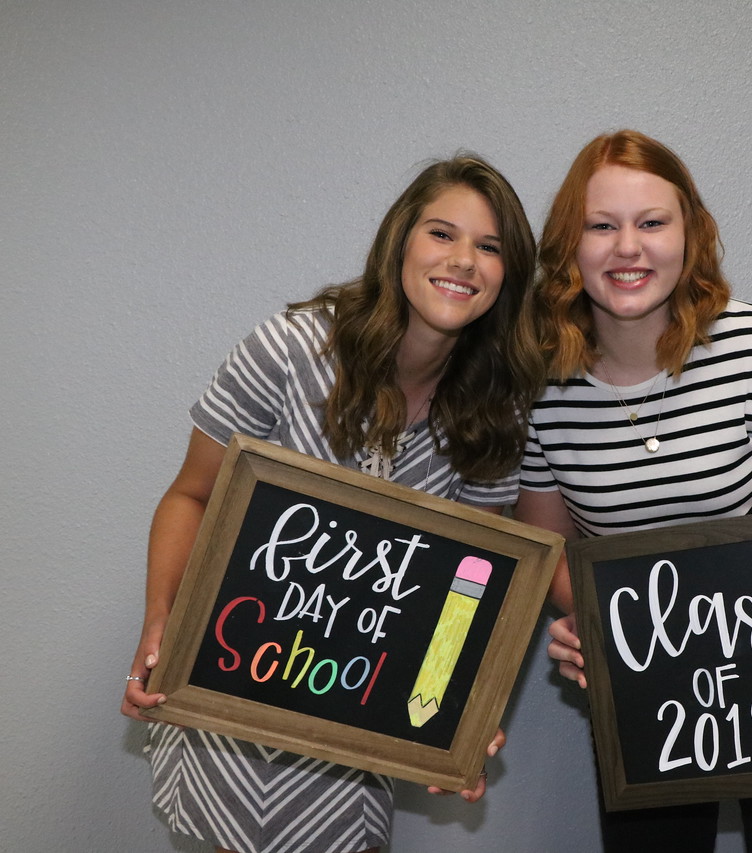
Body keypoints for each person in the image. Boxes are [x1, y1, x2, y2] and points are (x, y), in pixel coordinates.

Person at [121, 154, 544, 853]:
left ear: (508, 276)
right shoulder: (288, 352)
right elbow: (190, 495)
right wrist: (160, 625)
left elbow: (471, 589)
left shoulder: (492, 411)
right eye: (443, 233)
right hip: (231, 701)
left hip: (354, 732)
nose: (464, 260)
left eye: (490, 247)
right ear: (401, 241)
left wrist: (456, 711)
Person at [514, 130, 752, 853]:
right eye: (601, 225)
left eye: (652, 222)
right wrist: (589, 620)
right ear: (569, 244)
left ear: (690, 234)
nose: (629, 246)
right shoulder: (540, 388)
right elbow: (546, 545)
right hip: (644, 691)